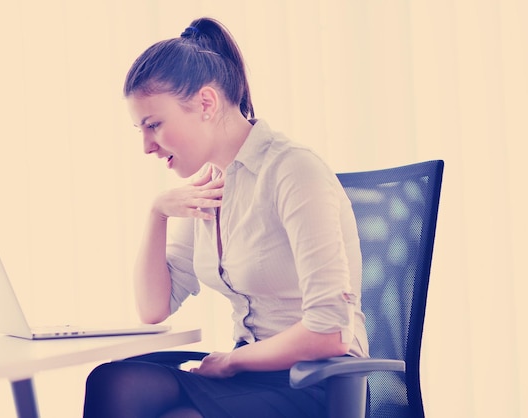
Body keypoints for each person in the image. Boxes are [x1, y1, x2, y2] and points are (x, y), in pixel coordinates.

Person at [83, 17, 369, 418]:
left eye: (154, 125)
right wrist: (157, 213)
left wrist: (233, 361)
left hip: (316, 384)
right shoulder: (210, 184)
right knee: (113, 380)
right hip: (248, 375)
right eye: (140, 129)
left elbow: (331, 333)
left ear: (205, 103)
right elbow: (153, 308)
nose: (147, 146)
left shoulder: (293, 170)